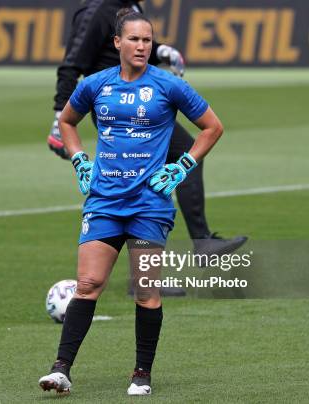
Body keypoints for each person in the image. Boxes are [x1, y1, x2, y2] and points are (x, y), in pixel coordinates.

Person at [39, 9, 225, 396]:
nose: (143, 46)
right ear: (118, 44)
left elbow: (212, 126)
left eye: (147, 40)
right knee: (88, 283)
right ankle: (61, 370)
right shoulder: (95, 85)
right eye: (135, 39)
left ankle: (141, 374)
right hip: (104, 200)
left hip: (149, 205)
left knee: (146, 290)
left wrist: (183, 165)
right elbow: (68, 122)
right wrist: (78, 159)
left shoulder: (167, 86)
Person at [46, 0, 247, 270]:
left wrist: (161, 50)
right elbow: (72, 63)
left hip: (140, 98)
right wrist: (60, 116)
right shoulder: (97, 10)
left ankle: (167, 259)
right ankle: (189, 249)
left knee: (151, 170)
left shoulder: (128, 6)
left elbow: (137, 47)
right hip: (112, 104)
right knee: (146, 171)